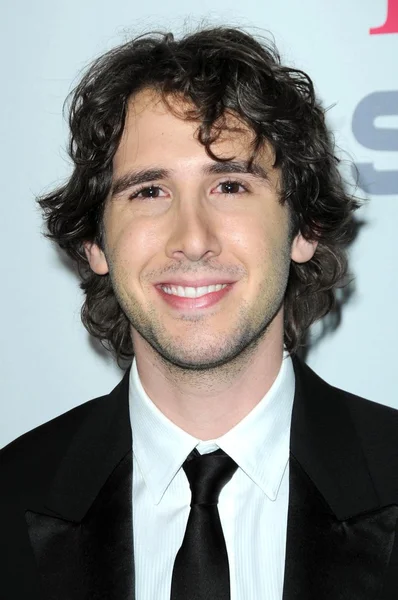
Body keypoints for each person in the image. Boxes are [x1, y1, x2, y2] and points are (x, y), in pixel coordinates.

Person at [1, 25, 398, 600]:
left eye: (230, 186)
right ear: (94, 242)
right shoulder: (11, 498)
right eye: (149, 192)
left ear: (305, 227)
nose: (192, 239)